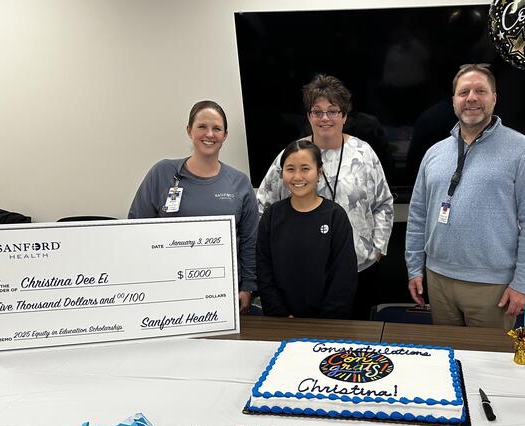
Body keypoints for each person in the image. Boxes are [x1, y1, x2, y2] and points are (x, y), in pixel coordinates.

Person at [405, 64, 525, 328]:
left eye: (480, 91)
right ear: (454, 101)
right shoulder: (434, 153)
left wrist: (524, 284)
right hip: (438, 281)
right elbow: (417, 215)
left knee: (487, 365)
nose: (471, 98)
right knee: (446, 360)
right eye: (464, 92)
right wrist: (415, 268)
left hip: (493, 288)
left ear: (494, 97)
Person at [257, 74, 394, 320]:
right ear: (309, 116)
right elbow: (264, 204)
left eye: (332, 111)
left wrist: (378, 248)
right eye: (317, 111)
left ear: (344, 115)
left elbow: (383, 202)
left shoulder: (364, 154)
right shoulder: (293, 155)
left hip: (360, 268)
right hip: (305, 275)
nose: (324, 118)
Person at [128, 100, 258, 313]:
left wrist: (248, 286)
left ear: (225, 135)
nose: (209, 134)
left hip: (224, 291)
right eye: (202, 127)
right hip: (167, 289)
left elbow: (249, 241)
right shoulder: (162, 173)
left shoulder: (240, 183)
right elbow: (136, 228)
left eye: (216, 129)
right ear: (189, 131)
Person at [256, 140, 357, 318]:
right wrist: (280, 314)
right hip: (282, 322)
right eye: (290, 169)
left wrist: (324, 320)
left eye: (305, 169)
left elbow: (344, 276)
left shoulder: (335, 216)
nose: (297, 177)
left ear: (319, 171)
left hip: (328, 324)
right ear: (282, 174)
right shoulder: (272, 216)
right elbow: (264, 270)